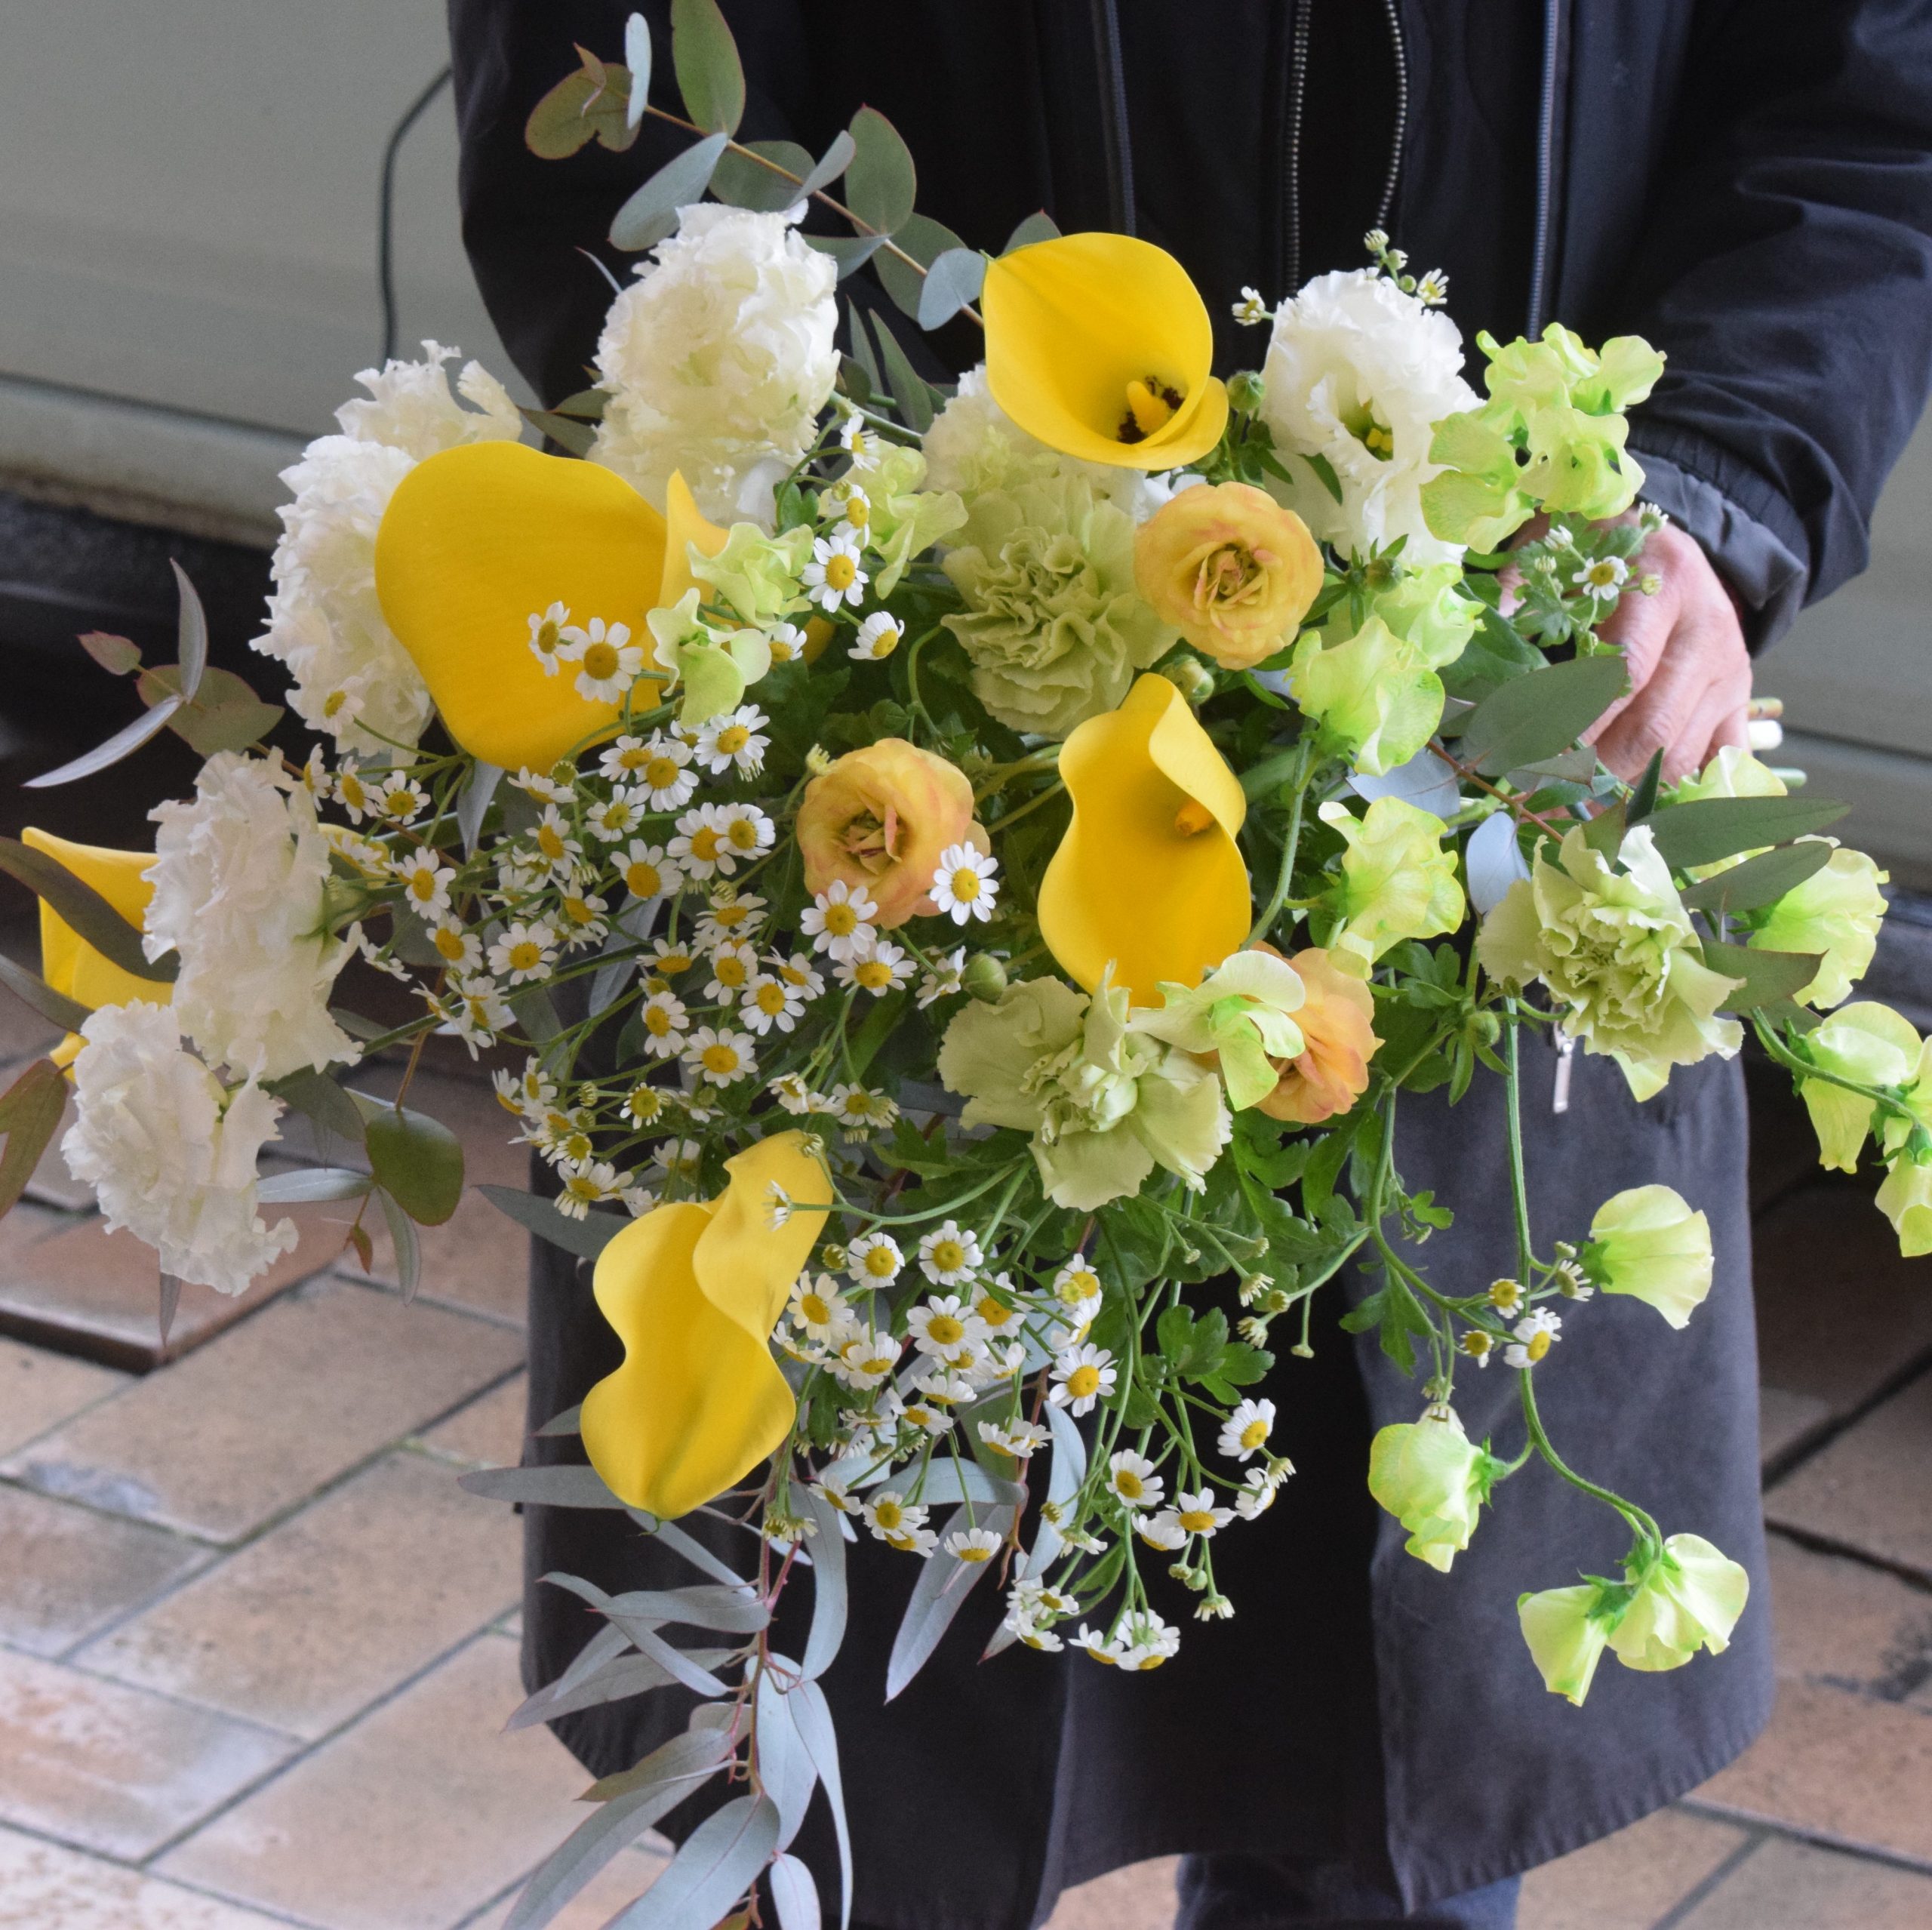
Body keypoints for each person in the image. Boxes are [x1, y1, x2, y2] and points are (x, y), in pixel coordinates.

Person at [442, 4, 1932, 1925]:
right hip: (905, 776)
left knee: (1372, 1746)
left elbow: (1860, 95)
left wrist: (1712, 492)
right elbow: (599, 105)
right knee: (846, 1784)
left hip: (1471, 777)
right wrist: (887, 534)